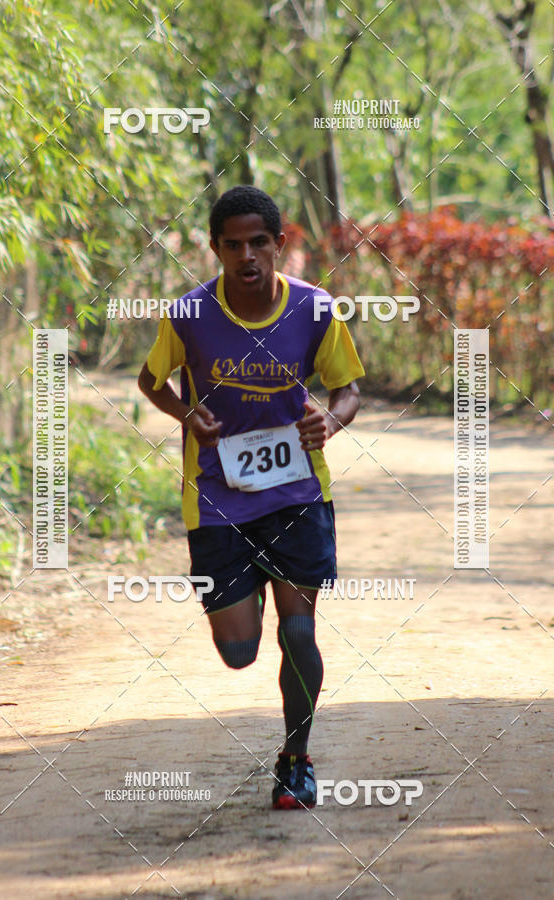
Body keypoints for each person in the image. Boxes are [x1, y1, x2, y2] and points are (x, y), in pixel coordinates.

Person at [138, 185, 364, 809]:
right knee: (239, 652)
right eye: (232, 244)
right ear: (214, 250)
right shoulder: (187, 316)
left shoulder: (317, 311)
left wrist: (331, 419)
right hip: (216, 498)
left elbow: (347, 389)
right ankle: (251, 593)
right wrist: (186, 414)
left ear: (279, 245)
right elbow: (150, 381)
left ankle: (296, 760)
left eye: (258, 242)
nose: (247, 256)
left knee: (299, 632)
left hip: (296, 494)